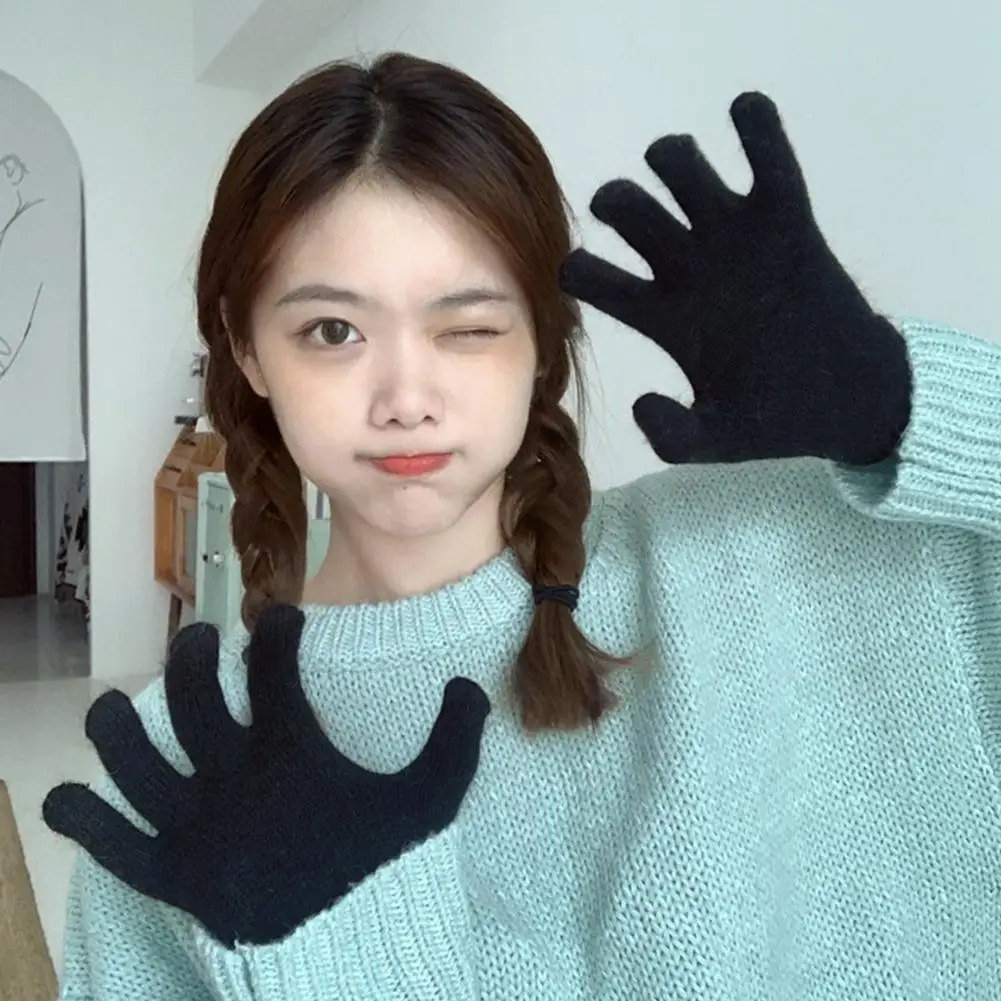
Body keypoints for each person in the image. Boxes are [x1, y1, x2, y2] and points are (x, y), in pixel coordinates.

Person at [43, 51, 1000, 1000]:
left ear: (544, 339)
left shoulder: (750, 550)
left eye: (468, 326)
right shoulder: (191, 769)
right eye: (332, 331)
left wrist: (903, 404)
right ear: (246, 347)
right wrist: (329, 957)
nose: (406, 399)